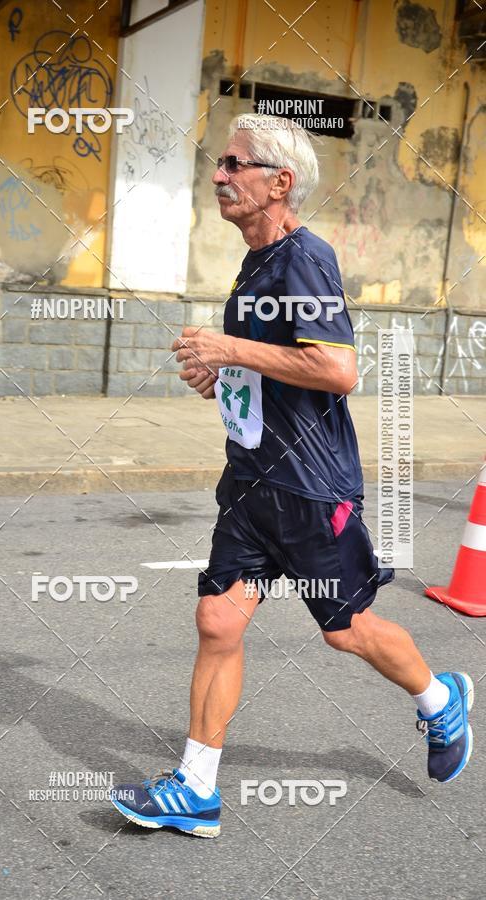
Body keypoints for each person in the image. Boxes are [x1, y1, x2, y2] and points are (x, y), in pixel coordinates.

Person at [110, 114, 474, 838]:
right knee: (217, 620)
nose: (219, 175)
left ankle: (440, 699)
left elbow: (337, 369)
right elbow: (273, 365)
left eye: (234, 164)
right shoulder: (253, 264)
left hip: (310, 488)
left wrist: (229, 348)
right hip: (251, 482)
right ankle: (196, 789)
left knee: (347, 631)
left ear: (279, 183)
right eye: (219, 163)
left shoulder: (305, 258)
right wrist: (220, 375)